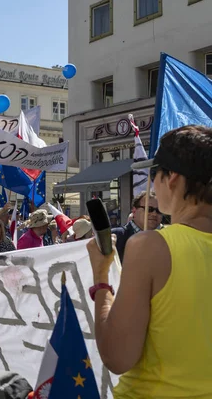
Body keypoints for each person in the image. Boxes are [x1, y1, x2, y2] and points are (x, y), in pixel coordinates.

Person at [87, 125, 212, 398]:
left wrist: (101, 278)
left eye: (154, 174)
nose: (152, 185)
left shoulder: (151, 247)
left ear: (173, 179)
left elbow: (117, 357)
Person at [111, 191, 163, 262]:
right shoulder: (115, 237)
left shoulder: (164, 241)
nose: (154, 214)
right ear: (134, 211)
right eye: (149, 209)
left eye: (158, 210)